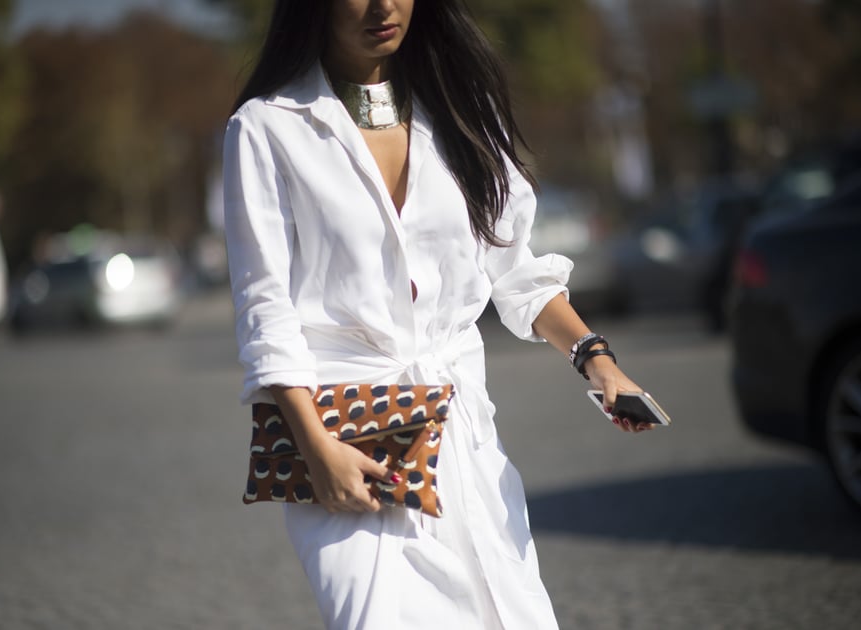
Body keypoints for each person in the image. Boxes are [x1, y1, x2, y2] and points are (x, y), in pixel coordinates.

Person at [222, 1, 654, 627]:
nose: (384, 5)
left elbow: (516, 271)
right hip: (348, 444)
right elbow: (266, 306)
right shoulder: (266, 129)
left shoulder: (461, 110)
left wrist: (598, 361)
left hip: (463, 438)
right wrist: (316, 450)